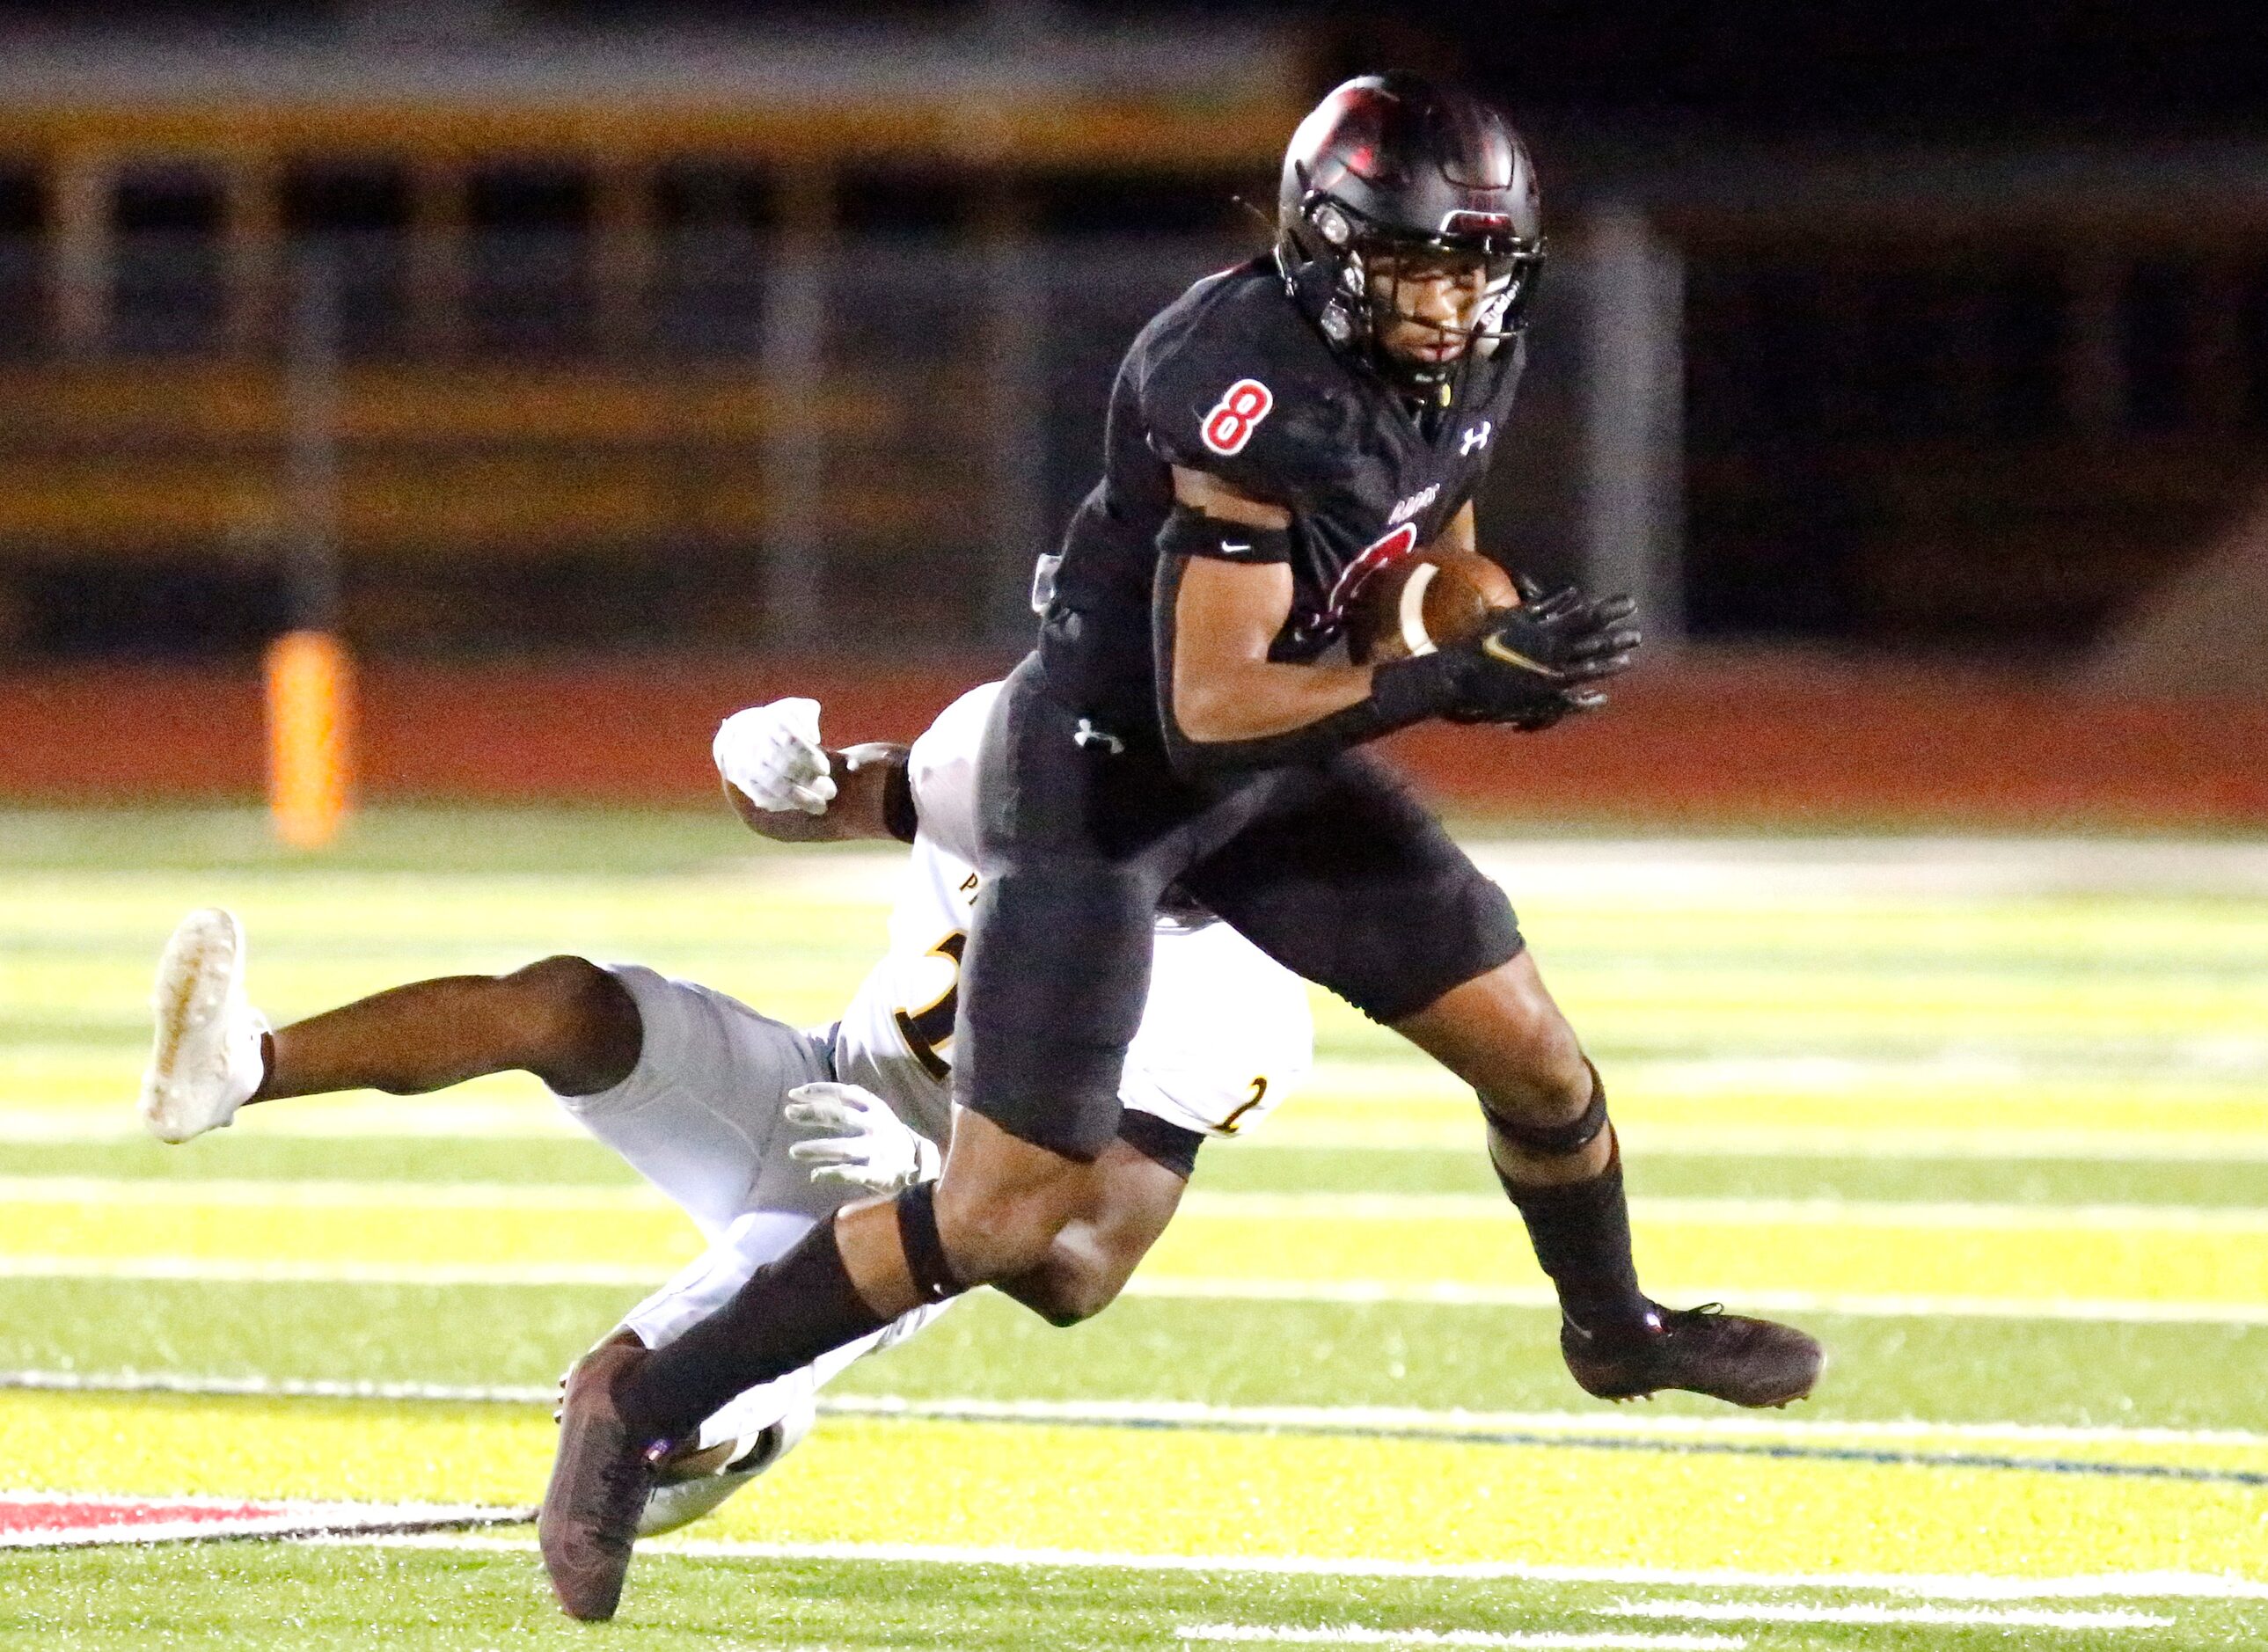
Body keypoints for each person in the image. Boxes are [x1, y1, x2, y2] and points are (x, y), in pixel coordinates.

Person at [541, 73, 1823, 1621]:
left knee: (1540, 1065)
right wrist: (1433, 683)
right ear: (1328, 247)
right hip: (1102, 782)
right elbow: (1207, 710)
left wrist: (1481, 636)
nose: (1450, 299)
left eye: (1477, 264)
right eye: (1418, 263)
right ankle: (644, 1403)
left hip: (1277, 762)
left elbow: (1432, 536)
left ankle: (1611, 1328)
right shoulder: (1233, 372)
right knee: (1012, 1215)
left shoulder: (1469, 347)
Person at [137, 684, 1311, 1538]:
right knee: (570, 1004)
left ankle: (746, 1424)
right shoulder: (1025, 754)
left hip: (899, 1220)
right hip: (809, 1079)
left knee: (615, 1403)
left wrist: (940, 1175)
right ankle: (239, 1066)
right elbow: (827, 801)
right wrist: (769, 776)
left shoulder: (1239, 994)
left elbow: (1082, 1274)